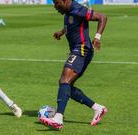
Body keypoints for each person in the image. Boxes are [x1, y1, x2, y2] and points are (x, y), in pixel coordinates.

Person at [39, 0, 107, 129]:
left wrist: (97, 37)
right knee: (66, 85)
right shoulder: (69, 11)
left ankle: (58, 118)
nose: (55, 6)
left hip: (82, 49)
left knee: (65, 80)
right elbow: (72, 23)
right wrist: (62, 31)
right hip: (76, 49)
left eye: (57, 3)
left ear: (65, 1)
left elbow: (102, 17)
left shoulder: (77, 9)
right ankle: (98, 108)